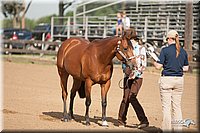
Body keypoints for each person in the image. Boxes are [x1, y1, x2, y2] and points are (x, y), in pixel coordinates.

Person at [153, 30, 189, 131]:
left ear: (169, 39)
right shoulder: (183, 51)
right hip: (179, 80)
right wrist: (176, 67)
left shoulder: (165, 50)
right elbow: (186, 68)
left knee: (166, 108)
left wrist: (154, 63)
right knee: (177, 107)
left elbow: (158, 66)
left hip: (167, 79)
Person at [118, 28, 149, 129]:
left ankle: (143, 120)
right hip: (127, 77)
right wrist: (125, 71)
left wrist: (135, 74)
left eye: (129, 40)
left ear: (133, 39)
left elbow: (143, 65)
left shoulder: (141, 49)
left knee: (132, 97)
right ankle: (121, 120)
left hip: (138, 78)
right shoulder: (126, 49)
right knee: (125, 98)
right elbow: (124, 63)